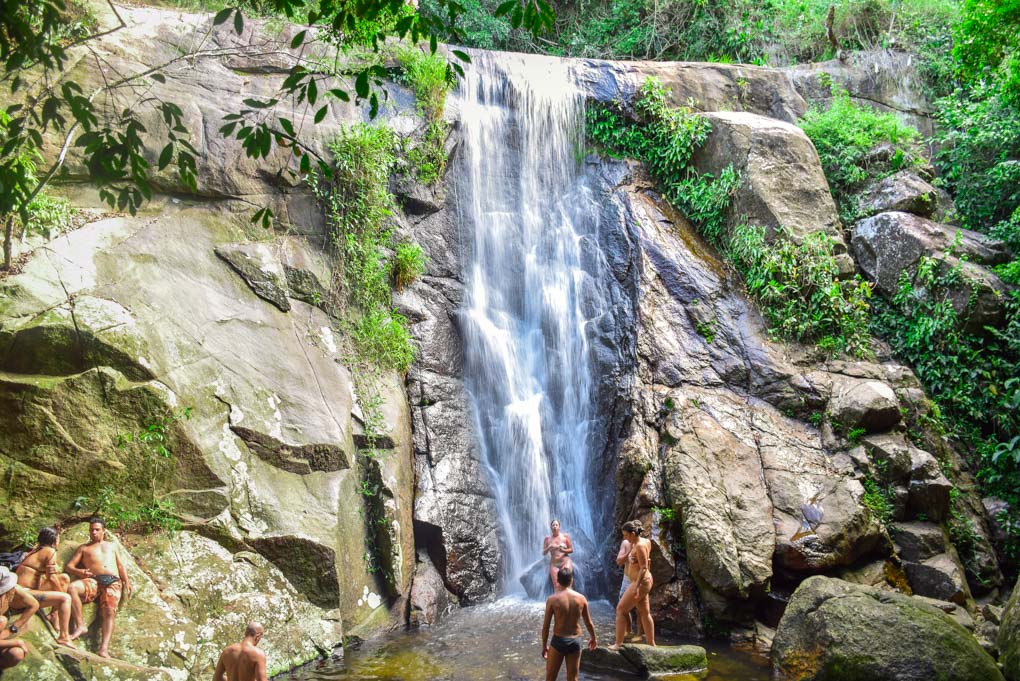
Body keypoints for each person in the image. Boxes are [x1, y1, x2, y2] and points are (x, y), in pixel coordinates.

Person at [65, 517, 132, 657]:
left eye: (97, 530)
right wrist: (81, 572)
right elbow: (69, 566)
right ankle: (81, 625)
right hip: (93, 580)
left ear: (104, 531)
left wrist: (127, 581)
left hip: (112, 581)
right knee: (72, 588)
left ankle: (104, 648)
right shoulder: (84, 548)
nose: (94, 532)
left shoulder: (112, 546)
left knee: (108, 611)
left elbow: (120, 565)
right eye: (91, 530)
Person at [16, 527, 72, 644]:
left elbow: (54, 577)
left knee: (64, 578)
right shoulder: (50, 551)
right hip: (22, 596)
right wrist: (62, 594)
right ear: (54, 540)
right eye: (58, 538)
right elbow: (51, 578)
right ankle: (64, 636)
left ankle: (53, 614)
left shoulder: (37, 550)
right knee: (65, 598)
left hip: (26, 591)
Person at [540, 566, 596, 681]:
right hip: (575, 640)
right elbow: (588, 623)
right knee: (573, 678)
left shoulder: (552, 599)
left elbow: (546, 626)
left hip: (558, 641)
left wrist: (544, 645)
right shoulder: (581, 598)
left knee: (550, 677)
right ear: (572, 580)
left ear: (558, 581)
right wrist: (593, 638)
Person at [612, 520, 654, 649]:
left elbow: (643, 568)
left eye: (626, 535)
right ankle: (651, 644)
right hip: (645, 581)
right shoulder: (645, 542)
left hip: (639, 582)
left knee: (620, 609)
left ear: (633, 533)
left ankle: (618, 644)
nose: (625, 538)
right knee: (645, 612)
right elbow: (647, 559)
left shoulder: (640, 546)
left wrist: (636, 586)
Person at [0, 566, 39, 644]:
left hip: (5, 627)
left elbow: (34, 605)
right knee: (2, 621)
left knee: (17, 653)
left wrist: (13, 629)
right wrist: (16, 643)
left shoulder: (12, 589)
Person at [615, 536, 642, 640]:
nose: (625, 536)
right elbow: (618, 561)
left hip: (637, 578)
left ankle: (639, 634)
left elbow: (646, 564)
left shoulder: (642, 544)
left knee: (640, 606)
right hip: (627, 578)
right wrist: (628, 554)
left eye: (626, 534)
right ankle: (629, 630)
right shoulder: (625, 543)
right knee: (622, 605)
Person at [542, 520, 574, 591]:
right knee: (556, 585)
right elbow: (543, 553)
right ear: (551, 527)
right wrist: (549, 548)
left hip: (565, 562)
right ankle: (558, 601)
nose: (555, 526)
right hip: (554, 564)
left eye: (556, 525)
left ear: (559, 527)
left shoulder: (565, 537)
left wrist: (563, 550)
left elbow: (571, 549)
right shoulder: (547, 539)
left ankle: (570, 601)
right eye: (553, 525)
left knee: (568, 584)